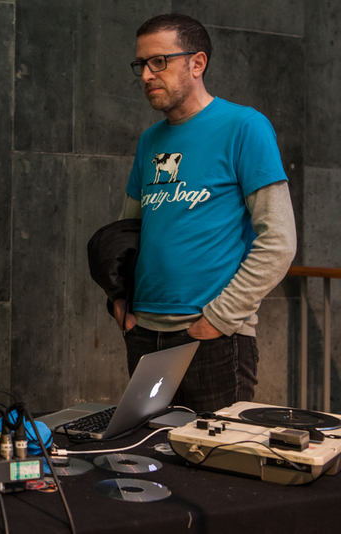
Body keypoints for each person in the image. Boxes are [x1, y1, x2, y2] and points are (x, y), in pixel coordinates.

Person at [112, 14, 297, 412]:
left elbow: (279, 241)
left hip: (212, 337)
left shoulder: (245, 127)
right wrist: (119, 300)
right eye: (141, 64)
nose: (146, 75)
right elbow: (126, 234)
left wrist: (217, 320)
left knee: (214, 452)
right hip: (144, 333)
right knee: (149, 449)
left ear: (197, 63)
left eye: (159, 61)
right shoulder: (149, 141)